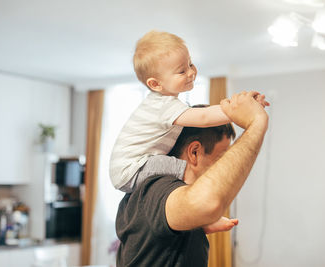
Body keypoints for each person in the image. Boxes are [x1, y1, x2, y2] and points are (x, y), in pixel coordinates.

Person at [115, 91, 269, 266]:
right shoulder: (155, 189)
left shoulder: (167, 195)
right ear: (194, 152)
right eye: (221, 158)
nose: (224, 166)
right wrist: (256, 124)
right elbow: (207, 203)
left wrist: (197, 227)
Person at [109, 30, 268, 194]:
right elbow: (204, 117)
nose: (191, 72)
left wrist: (240, 106)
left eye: (190, 64)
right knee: (188, 172)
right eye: (182, 71)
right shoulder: (163, 105)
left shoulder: (161, 103)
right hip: (131, 169)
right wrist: (238, 109)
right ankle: (198, 211)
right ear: (156, 84)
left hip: (130, 168)